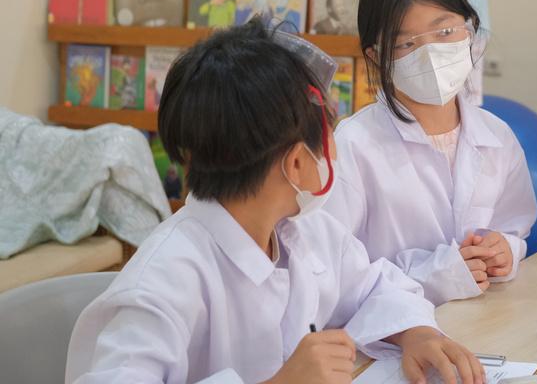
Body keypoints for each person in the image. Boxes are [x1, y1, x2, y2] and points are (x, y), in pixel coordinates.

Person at [65, 20, 485, 384]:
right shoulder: (163, 282)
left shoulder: (305, 230)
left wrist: (415, 333)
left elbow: (374, 286)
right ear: (298, 163)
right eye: (328, 135)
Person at [323, 0, 536, 305]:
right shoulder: (352, 146)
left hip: (488, 317)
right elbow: (333, 272)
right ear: (376, 56)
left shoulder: (497, 136)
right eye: (406, 44)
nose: (430, 53)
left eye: (445, 32)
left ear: (470, 29)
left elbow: (515, 227)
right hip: (392, 329)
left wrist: (506, 250)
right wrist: (435, 276)